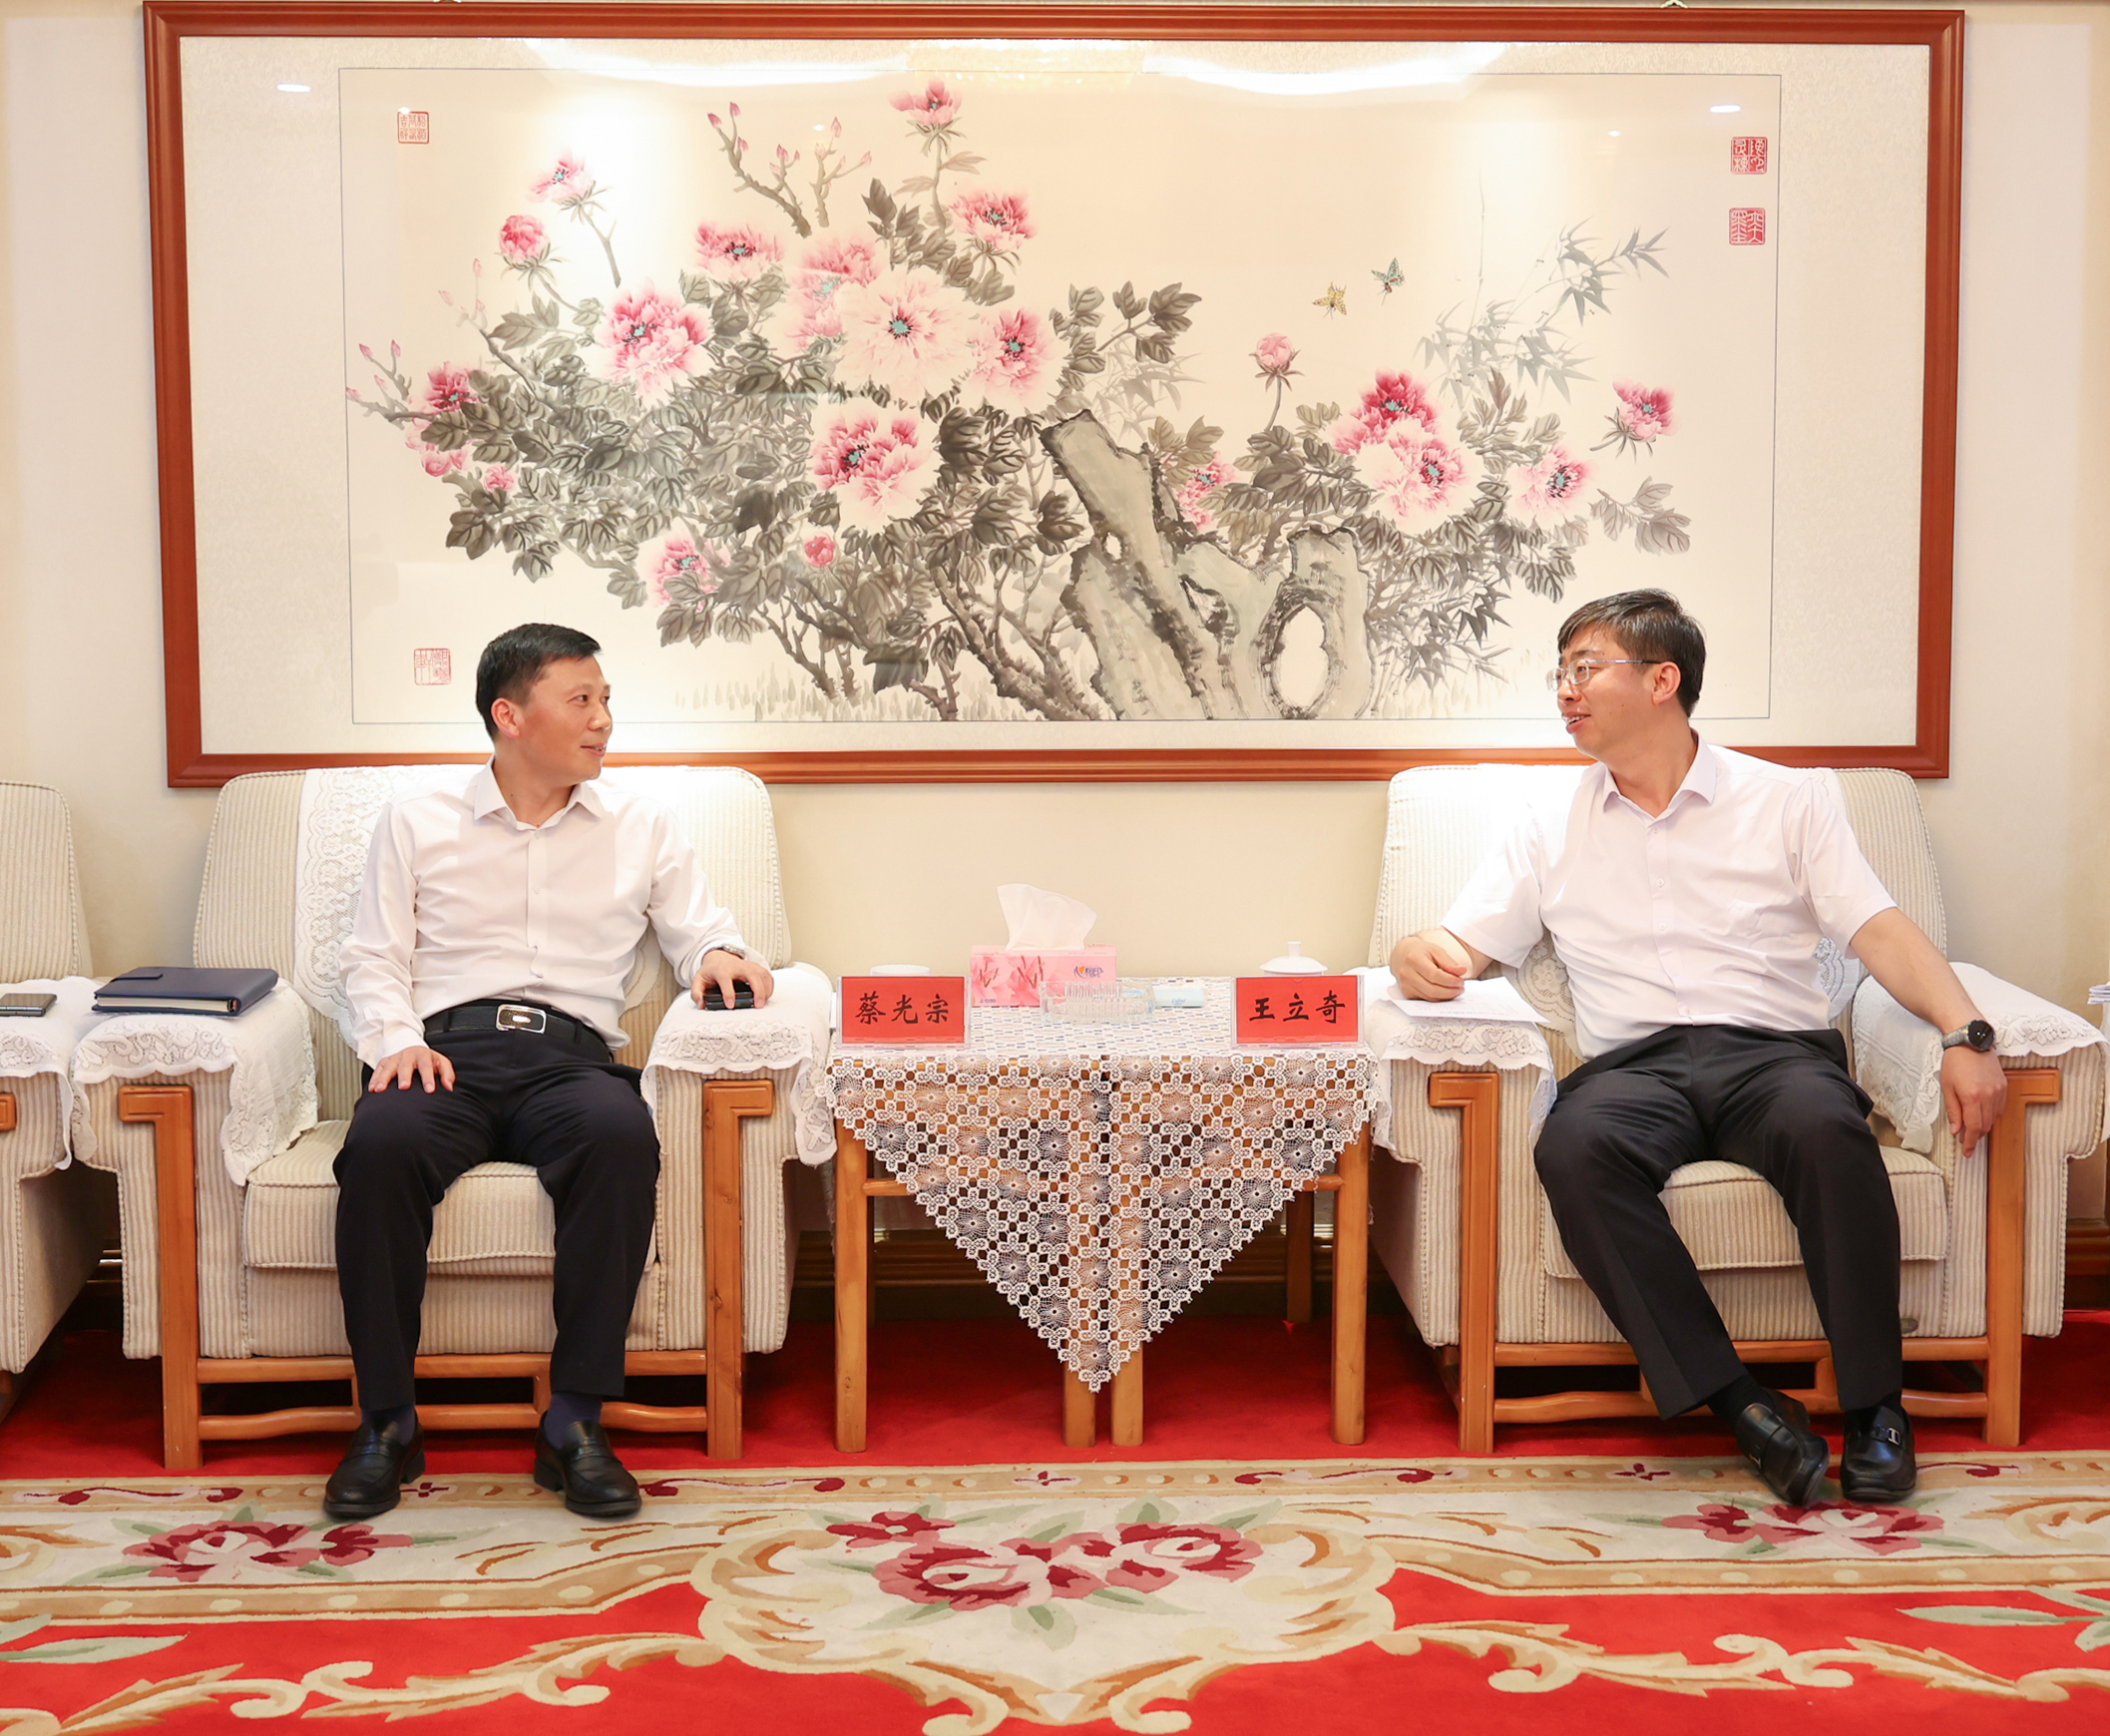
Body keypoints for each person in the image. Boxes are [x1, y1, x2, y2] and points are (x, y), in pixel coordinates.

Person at [1389, 590, 2005, 1506]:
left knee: (1828, 1133)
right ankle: (1741, 1404)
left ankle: (1877, 1406)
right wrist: (1414, 954)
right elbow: (1460, 945)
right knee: (1573, 1148)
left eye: (1584, 668)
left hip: (1773, 1059)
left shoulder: (1787, 799)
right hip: (1631, 1070)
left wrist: (1965, 1034)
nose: (1564, 691)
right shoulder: (1545, 821)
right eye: (1559, 673)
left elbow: (1876, 928)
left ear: (1661, 680)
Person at [322, 623, 774, 1522]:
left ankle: (573, 1422)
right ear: (511, 716)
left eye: (605, 700)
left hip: (570, 1061)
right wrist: (395, 1041)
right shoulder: (416, 822)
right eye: (582, 700)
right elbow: (372, 957)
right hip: (444, 1052)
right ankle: (387, 1422)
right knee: (379, 1146)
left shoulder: (641, 825)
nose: (603, 720)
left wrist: (722, 957)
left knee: (619, 1137)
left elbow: (699, 932)